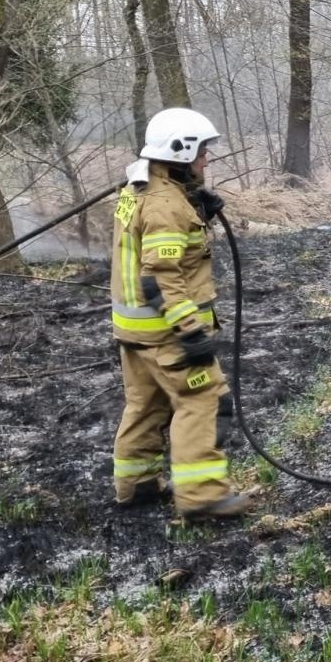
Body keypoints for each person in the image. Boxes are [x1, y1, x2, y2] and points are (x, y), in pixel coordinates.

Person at [109, 107, 251, 519]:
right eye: (203, 152)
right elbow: (161, 276)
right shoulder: (165, 204)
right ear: (181, 151)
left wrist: (196, 211)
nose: (207, 159)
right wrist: (190, 330)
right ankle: (203, 496)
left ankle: (136, 486)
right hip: (166, 332)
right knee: (202, 399)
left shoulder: (136, 190)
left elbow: (144, 248)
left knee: (146, 405)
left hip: (134, 333)